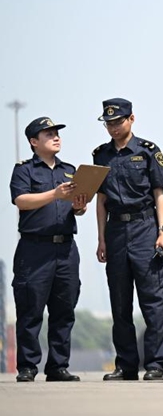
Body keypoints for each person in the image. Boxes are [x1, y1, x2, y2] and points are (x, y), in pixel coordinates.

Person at [92, 98, 163, 381]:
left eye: (118, 122)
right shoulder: (100, 156)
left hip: (145, 229)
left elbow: (158, 193)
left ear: (132, 119)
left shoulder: (149, 151)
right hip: (115, 233)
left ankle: (155, 364)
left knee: (153, 301)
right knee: (120, 303)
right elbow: (100, 201)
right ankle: (126, 365)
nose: (113, 128)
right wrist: (101, 239)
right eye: (109, 123)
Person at [9, 117, 88, 382]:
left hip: (66, 249)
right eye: (49, 134)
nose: (56, 137)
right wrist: (54, 194)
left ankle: (57, 366)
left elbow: (78, 209)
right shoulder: (24, 171)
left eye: (57, 133)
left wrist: (79, 205)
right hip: (34, 249)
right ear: (34, 142)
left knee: (64, 310)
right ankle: (28, 367)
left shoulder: (70, 170)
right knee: (30, 311)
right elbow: (21, 200)